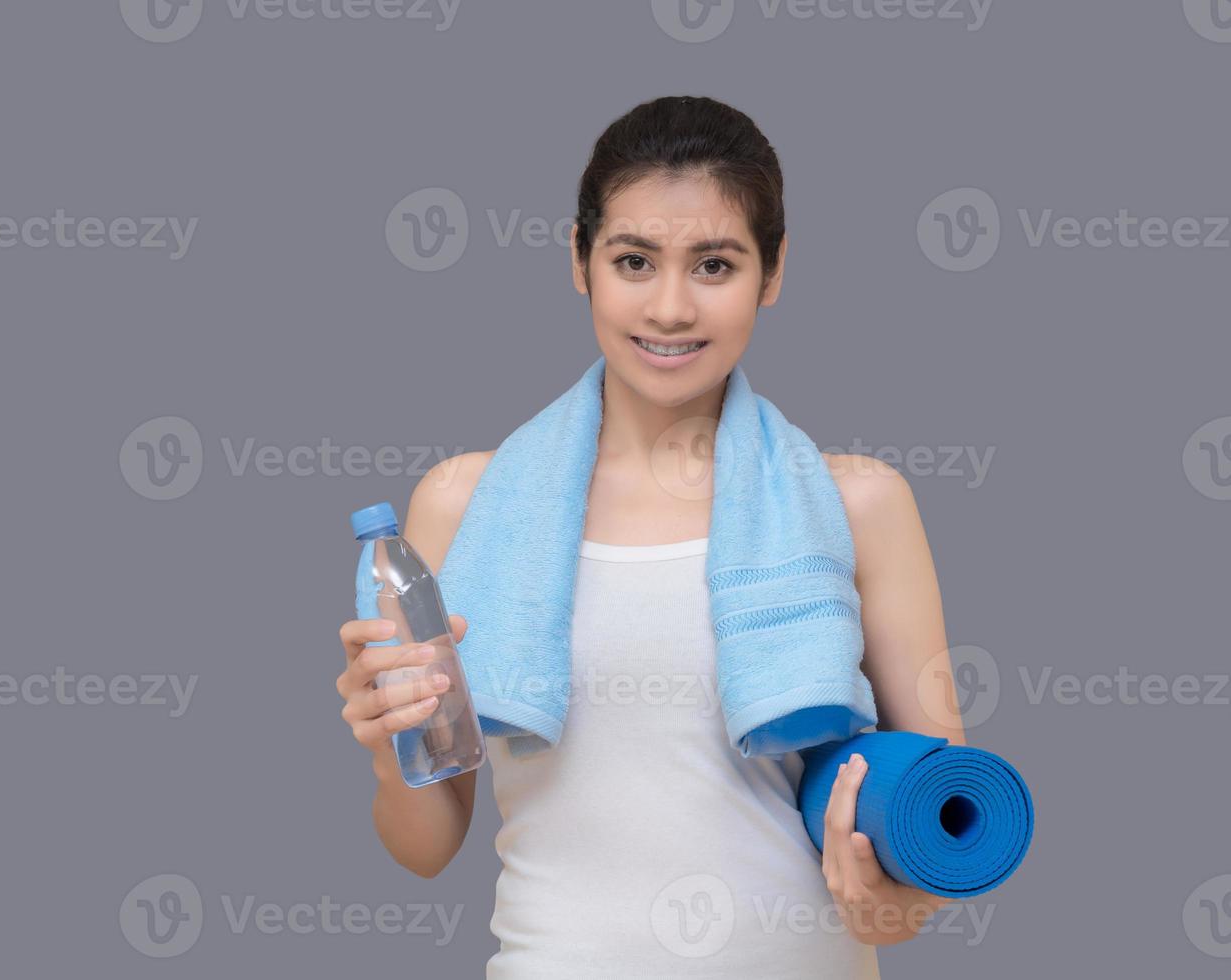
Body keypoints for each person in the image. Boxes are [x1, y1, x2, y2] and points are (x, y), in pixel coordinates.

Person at [335, 94, 965, 977]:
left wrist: (893, 904)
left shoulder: (859, 503)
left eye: (715, 264)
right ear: (580, 262)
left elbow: (937, 832)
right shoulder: (461, 506)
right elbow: (427, 846)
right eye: (634, 260)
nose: (671, 308)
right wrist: (386, 749)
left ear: (774, 272)